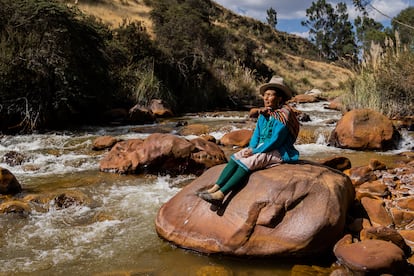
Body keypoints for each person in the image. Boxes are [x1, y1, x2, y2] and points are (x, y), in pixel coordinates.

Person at [197, 76, 300, 205]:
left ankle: (221, 194)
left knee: (251, 160)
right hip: (262, 147)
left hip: (279, 150)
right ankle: (215, 187)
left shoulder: (284, 115)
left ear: (279, 98)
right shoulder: (265, 113)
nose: (266, 98)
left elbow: (276, 141)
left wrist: (255, 152)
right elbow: (256, 134)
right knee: (236, 156)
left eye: (270, 95)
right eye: (265, 95)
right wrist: (251, 148)